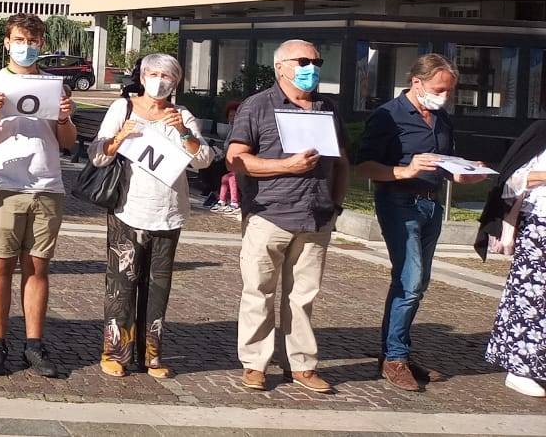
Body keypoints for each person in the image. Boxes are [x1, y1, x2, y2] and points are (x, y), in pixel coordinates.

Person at [355, 54, 485, 391]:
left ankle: (395, 352)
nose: (445, 96)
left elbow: (442, 161)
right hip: (399, 204)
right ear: (417, 82)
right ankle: (395, 358)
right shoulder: (389, 116)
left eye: (450, 91)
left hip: (431, 206)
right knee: (410, 282)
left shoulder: (441, 118)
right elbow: (364, 166)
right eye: (439, 89)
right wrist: (405, 170)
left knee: (416, 283)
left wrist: (464, 171)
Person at [226, 39, 348, 394]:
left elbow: (341, 161)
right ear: (280, 67)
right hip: (270, 215)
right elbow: (236, 159)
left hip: (316, 218)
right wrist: (285, 166)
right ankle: (255, 364)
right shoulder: (257, 106)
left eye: (317, 60)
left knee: (303, 297)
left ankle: (303, 365)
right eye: (303, 61)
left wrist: (335, 205)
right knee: (258, 293)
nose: (311, 67)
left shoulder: (327, 108)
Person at [89, 53, 212, 378]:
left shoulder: (182, 114)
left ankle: (151, 354)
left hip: (169, 212)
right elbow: (97, 155)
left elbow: (204, 161)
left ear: (177, 81)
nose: (160, 80)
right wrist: (119, 138)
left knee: (158, 286)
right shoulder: (123, 108)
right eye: (154, 74)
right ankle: (115, 352)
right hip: (128, 209)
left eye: (167, 75)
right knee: (122, 284)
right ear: (142, 77)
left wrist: (184, 133)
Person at [0, 13, 76, 378]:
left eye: (32, 41)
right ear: (6, 42)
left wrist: (64, 118)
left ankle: (34, 343)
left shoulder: (54, 86)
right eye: (19, 40)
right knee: (0, 265)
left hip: (47, 185)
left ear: (41, 44)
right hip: (3, 184)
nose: (25, 47)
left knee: (38, 266)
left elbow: (68, 143)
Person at [476, 118, 546, 398]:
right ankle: (520, 369)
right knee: (531, 299)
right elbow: (511, 180)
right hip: (540, 226)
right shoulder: (541, 133)